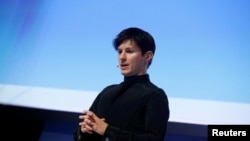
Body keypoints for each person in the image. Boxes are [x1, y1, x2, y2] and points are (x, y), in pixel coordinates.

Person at [74, 27, 170, 141]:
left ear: (147, 56)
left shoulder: (155, 96)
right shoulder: (107, 92)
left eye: (129, 51)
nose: (122, 57)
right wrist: (83, 131)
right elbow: (80, 136)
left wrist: (107, 130)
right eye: (120, 51)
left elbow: (153, 139)